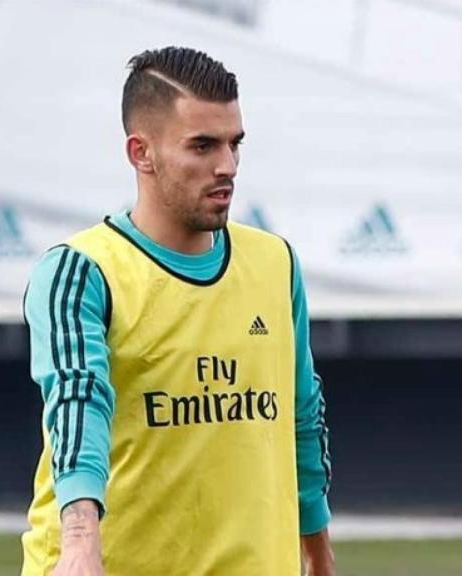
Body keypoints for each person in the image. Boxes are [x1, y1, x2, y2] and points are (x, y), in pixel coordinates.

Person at [20, 47, 334, 575]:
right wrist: (79, 543)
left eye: (235, 144)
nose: (226, 166)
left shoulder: (275, 263)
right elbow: (77, 403)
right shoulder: (82, 270)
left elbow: (302, 414)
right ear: (141, 153)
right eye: (203, 146)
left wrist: (318, 551)